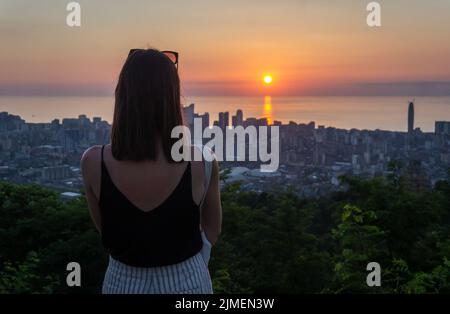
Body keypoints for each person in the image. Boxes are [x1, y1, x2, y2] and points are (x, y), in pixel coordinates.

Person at [80, 48, 222, 294]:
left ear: (123, 96)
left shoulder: (94, 161)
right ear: (172, 97)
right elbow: (212, 230)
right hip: (189, 282)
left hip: (121, 283)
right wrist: (191, 262)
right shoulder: (202, 160)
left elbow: (106, 229)